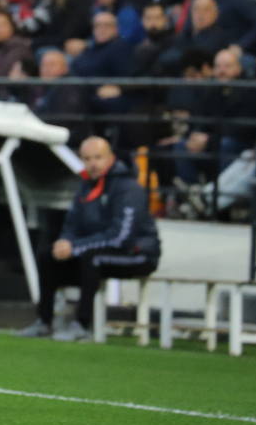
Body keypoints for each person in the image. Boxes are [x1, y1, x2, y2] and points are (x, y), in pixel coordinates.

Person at [19, 137, 161, 342]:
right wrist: (64, 243)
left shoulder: (128, 188)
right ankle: (44, 321)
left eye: (98, 157)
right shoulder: (85, 187)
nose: (92, 164)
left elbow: (121, 237)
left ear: (110, 157)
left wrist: (75, 246)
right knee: (47, 255)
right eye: (87, 158)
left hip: (138, 254)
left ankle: (82, 325)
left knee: (91, 259)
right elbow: (71, 226)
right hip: (95, 252)